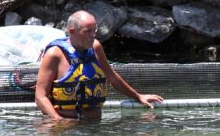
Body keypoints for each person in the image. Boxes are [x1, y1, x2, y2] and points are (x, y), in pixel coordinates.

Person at [35, 10, 163, 120]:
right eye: (87, 31)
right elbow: (40, 96)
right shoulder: (54, 54)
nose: (93, 35)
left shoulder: (95, 47)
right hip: (64, 126)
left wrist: (138, 96)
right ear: (72, 31)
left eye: (94, 30)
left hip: (94, 124)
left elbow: (112, 77)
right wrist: (57, 121)